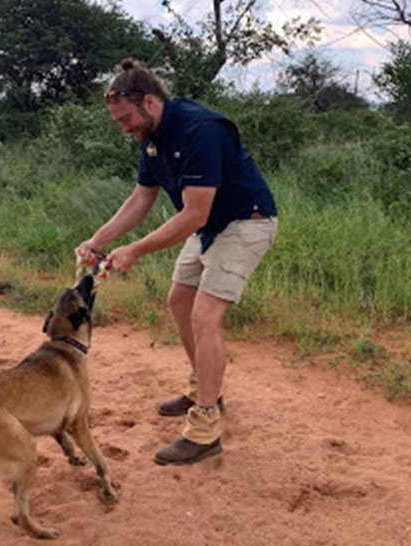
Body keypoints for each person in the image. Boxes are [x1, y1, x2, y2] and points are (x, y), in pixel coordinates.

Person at [75, 59, 278, 466]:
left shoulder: (201, 129)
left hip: (245, 222)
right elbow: (140, 199)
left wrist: (134, 250)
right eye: (118, 121)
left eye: (127, 118)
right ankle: (206, 387)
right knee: (178, 302)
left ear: (150, 102)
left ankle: (205, 428)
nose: (124, 128)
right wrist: (99, 240)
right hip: (210, 228)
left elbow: (194, 213)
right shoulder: (152, 138)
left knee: (205, 316)